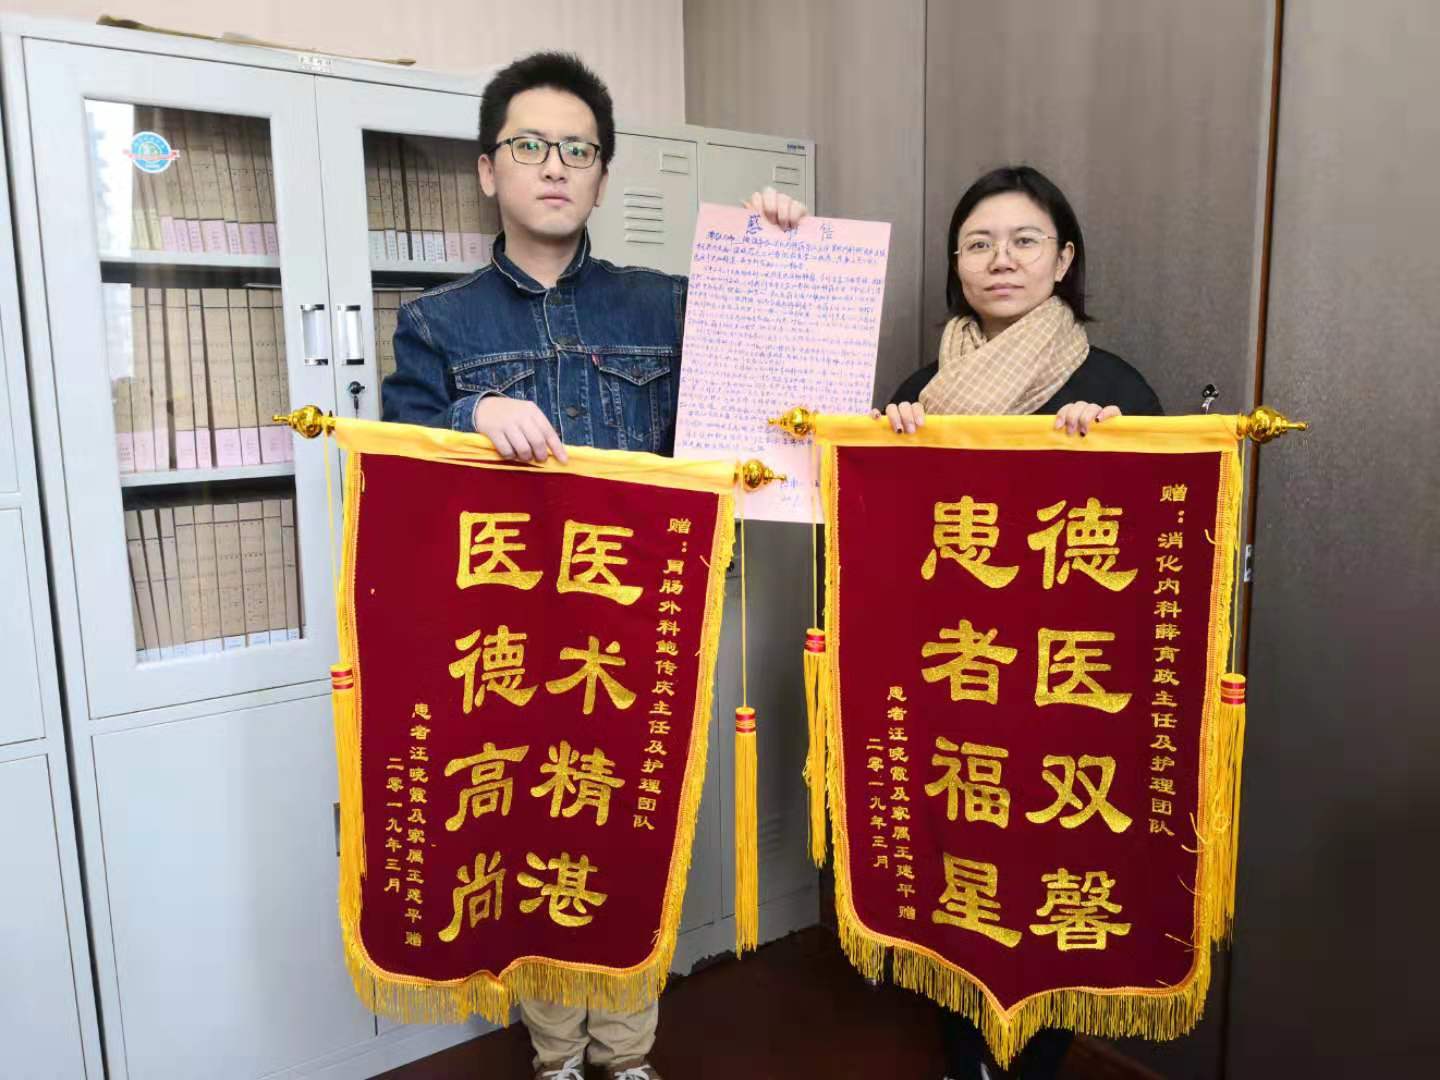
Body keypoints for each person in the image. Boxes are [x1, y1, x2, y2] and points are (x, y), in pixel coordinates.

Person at [381, 51, 805, 1080]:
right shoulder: (437, 322)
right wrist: (471, 411)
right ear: (489, 169)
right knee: (524, 827)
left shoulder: (664, 304)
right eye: (530, 145)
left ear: (603, 177)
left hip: (639, 633)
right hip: (505, 643)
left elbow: (769, 390)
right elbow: (394, 464)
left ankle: (627, 1051)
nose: (554, 166)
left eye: (578, 150)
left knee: (631, 835)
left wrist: (775, 256)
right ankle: (556, 1055)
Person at [879, 165, 1161, 1080]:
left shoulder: (1112, 388)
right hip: (955, 685)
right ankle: (965, 1057)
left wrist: (1109, 455)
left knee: (1051, 871)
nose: (1001, 260)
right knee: (958, 870)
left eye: (1024, 240)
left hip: (1065, 695)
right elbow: (879, 551)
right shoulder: (919, 393)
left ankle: (1035, 1062)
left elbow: (1157, 563)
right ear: (956, 265)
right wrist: (888, 449)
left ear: (1063, 259)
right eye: (978, 243)